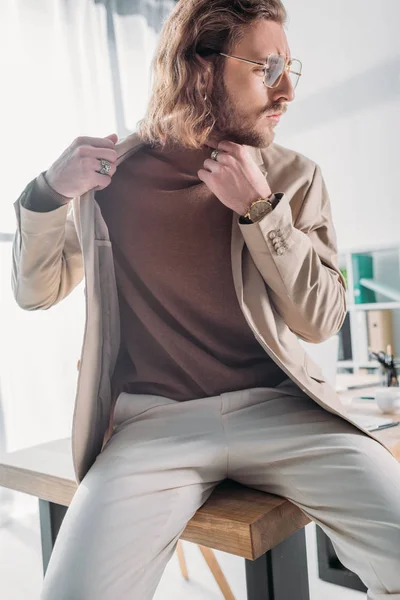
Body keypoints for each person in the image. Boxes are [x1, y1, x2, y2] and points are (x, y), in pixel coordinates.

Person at [12, 1, 400, 598]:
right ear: (200, 68)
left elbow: (321, 321)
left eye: (291, 70)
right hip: (150, 427)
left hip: (284, 410)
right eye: (268, 69)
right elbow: (35, 294)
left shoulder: (294, 178)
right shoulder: (111, 181)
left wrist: (260, 210)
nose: (287, 92)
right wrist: (46, 193)